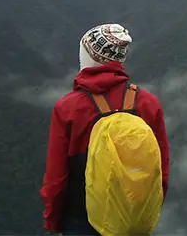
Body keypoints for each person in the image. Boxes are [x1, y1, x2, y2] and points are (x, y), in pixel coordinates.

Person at [40, 23, 170, 235]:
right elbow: (160, 171)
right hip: (132, 223)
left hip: (82, 220)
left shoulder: (69, 108)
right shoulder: (148, 103)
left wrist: (54, 221)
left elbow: (56, 179)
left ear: (90, 57)